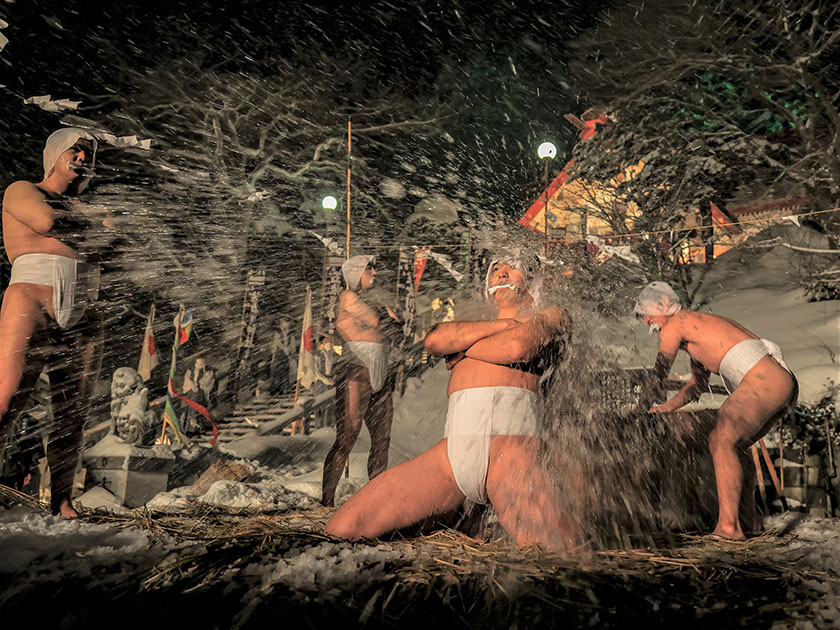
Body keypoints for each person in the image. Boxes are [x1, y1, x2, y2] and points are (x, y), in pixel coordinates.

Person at [325, 250, 581, 552]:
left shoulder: (553, 315)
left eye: (513, 267)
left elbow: (517, 347)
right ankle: (460, 515)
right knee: (342, 527)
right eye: (496, 268)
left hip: (511, 451)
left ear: (533, 279)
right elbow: (435, 340)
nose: (501, 273)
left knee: (562, 551)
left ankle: (469, 516)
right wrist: (499, 328)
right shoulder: (477, 324)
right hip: (452, 455)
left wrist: (463, 348)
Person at [634, 281, 798, 540]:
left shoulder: (676, 323)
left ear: (661, 307)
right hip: (780, 382)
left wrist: (640, 409)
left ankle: (728, 529)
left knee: (721, 440)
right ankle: (747, 521)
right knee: (734, 445)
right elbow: (697, 386)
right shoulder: (695, 327)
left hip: (764, 380)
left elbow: (659, 371)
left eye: (646, 314)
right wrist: (664, 407)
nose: (646, 322)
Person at [0, 128, 106, 517]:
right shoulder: (23, 190)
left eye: (89, 154)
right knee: (7, 398)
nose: (82, 158)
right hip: (31, 298)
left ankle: (61, 500)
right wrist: (98, 226)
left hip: (83, 310)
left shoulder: (87, 208)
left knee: (73, 413)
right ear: (54, 155)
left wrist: (100, 230)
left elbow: (118, 250)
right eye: (75, 150)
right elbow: (44, 220)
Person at [321, 255, 398, 507]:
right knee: (346, 438)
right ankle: (326, 501)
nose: (374, 273)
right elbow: (377, 320)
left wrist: (388, 319)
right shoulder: (347, 297)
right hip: (356, 369)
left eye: (374, 268)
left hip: (380, 368)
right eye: (368, 269)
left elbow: (397, 327)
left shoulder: (371, 299)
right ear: (355, 273)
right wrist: (385, 317)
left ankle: (376, 499)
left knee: (382, 439)